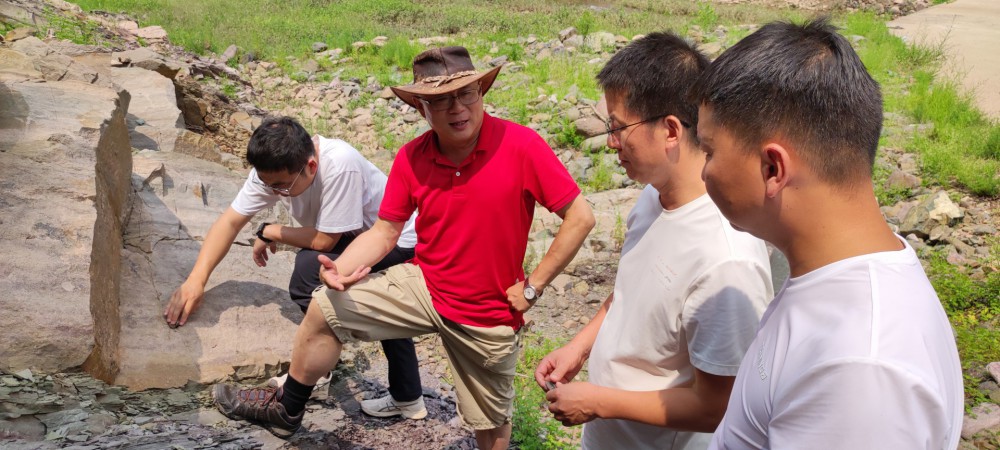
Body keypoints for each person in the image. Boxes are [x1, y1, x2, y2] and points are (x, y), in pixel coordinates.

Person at [210, 46, 596, 447]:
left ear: (482, 92)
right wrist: (340, 269)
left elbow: (580, 216)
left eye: (466, 94)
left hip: (488, 310)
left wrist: (534, 285)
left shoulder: (520, 145)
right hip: (424, 285)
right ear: (420, 109)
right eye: (440, 100)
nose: (457, 107)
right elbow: (384, 231)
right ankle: (286, 410)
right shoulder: (413, 157)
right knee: (323, 308)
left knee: (491, 426)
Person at [691, 19, 963, 449]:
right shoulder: (837, 278)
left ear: (772, 168)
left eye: (708, 150)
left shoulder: (859, 364)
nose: (703, 171)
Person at [533, 32, 774, 450]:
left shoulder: (725, 259)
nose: (610, 142)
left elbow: (717, 406)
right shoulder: (652, 196)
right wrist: (580, 346)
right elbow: (630, 292)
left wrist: (598, 402)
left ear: (670, 130)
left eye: (618, 127)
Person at [164, 116, 426, 418]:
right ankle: (401, 394)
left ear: (310, 167)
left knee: (314, 280)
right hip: (353, 235)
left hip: (395, 238)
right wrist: (196, 280)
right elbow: (230, 221)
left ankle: (320, 370)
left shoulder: (340, 165)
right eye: (267, 185)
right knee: (315, 278)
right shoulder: (274, 169)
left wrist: (272, 230)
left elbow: (326, 241)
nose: (274, 192)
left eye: (281, 187)